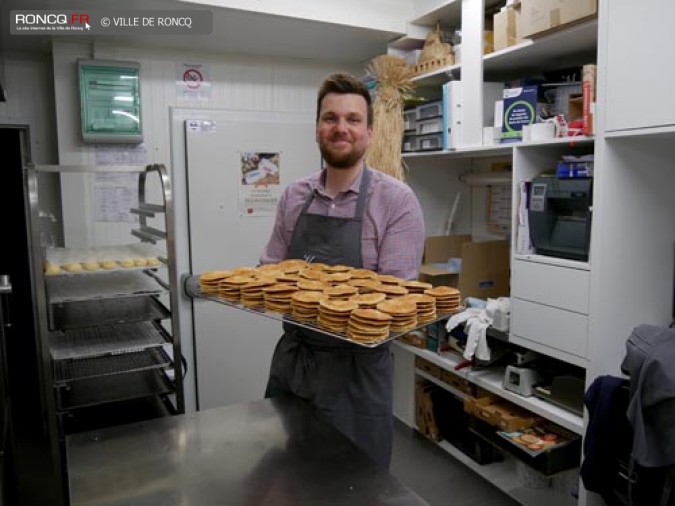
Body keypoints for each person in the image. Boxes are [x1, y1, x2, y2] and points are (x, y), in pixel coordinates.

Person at [259, 72, 425, 468]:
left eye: (353, 120)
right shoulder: (294, 196)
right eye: (330, 118)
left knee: (354, 484)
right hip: (295, 362)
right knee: (286, 475)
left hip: (358, 375)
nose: (341, 128)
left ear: (368, 132)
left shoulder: (396, 202)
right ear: (317, 129)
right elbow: (269, 271)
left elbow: (395, 303)